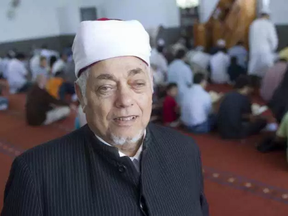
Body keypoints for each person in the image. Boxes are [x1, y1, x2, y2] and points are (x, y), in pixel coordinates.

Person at [1, 18, 209, 216]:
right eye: (106, 87)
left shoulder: (185, 151)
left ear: (151, 87)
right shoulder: (36, 176)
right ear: (82, 95)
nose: (125, 100)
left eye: (137, 83)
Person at [248, 10, 278, 77]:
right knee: (268, 71)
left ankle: (251, 84)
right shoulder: (269, 24)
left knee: (253, 70)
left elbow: (250, 39)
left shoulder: (253, 24)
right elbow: (273, 39)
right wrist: (273, 48)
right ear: (267, 16)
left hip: (254, 51)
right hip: (265, 51)